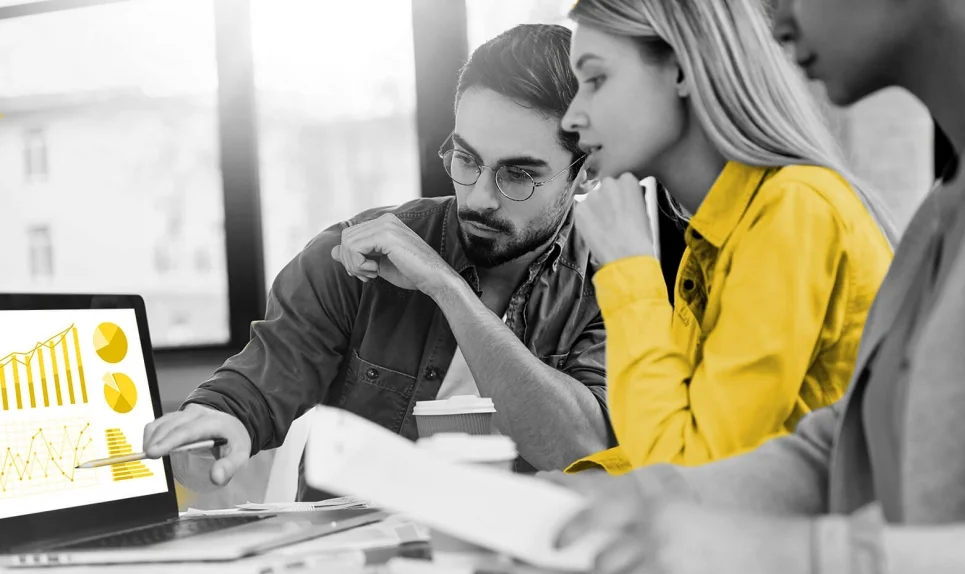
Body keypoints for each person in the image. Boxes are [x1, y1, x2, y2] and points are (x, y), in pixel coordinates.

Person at [555, 0, 965, 574]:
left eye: (596, 79)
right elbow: (847, 445)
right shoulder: (959, 197)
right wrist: (641, 498)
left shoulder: (803, 206)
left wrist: (797, 556)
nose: (767, 18)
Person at [143, 24, 615, 496]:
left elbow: (579, 446)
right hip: (360, 558)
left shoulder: (616, 282)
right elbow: (266, 376)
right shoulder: (357, 252)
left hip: (522, 561)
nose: (479, 198)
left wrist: (445, 288)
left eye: (517, 175)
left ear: (586, 173)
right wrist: (218, 422)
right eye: (467, 160)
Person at [557, 0, 894, 475]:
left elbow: (692, 470)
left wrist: (628, 268)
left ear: (681, 68)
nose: (572, 118)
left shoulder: (793, 212)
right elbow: (683, 435)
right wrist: (585, 483)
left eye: (595, 80)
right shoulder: (721, 237)